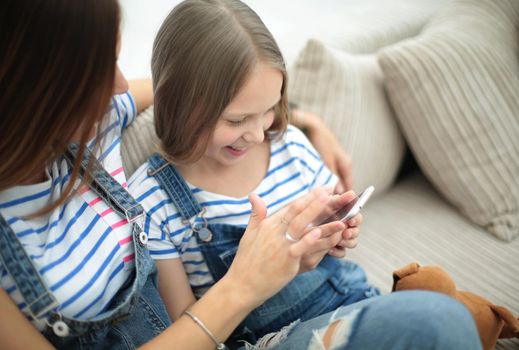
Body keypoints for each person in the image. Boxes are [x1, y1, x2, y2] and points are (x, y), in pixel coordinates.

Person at [0, 0, 482, 349]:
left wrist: (298, 119)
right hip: (244, 333)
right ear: (29, 83)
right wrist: (248, 282)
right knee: (433, 319)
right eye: (94, 69)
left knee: (440, 317)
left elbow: (200, 85)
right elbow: (185, 97)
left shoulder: (97, 114)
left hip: (333, 298)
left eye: (114, 58)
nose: (121, 86)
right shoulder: (155, 190)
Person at [129, 0, 379, 346]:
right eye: (236, 120)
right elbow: (187, 326)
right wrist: (276, 271)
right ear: (179, 104)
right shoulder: (151, 202)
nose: (259, 134)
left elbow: (329, 228)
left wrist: (336, 235)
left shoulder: (290, 144)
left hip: (352, 300)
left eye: (268, 111)